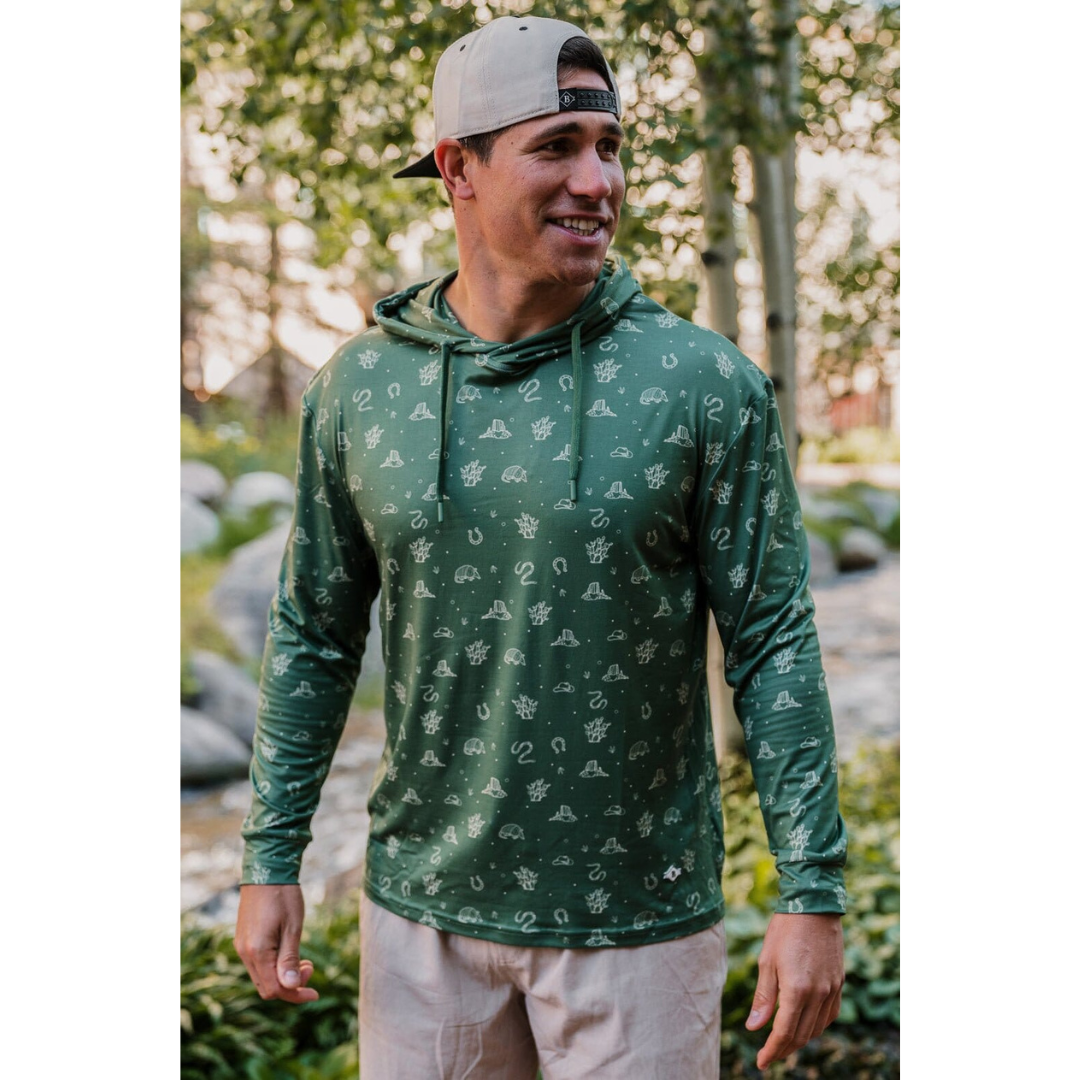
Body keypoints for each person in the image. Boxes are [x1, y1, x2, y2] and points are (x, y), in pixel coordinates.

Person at [233, 15, 847, 1079]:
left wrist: (812, 891)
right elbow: (315, 635)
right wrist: (269, 854)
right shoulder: (359, 390)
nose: (597, 182)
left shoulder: (703, 384)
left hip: (639, 926)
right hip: (421, 921)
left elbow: (774, 642)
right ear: (457, 168)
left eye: (609, 147)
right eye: (557, 146)